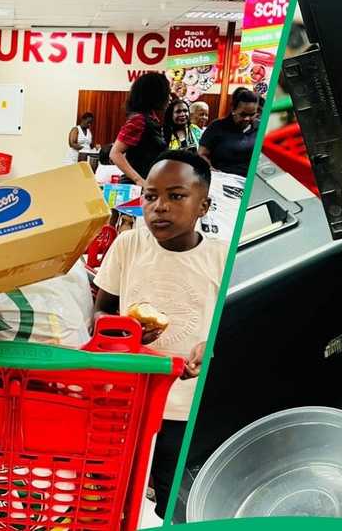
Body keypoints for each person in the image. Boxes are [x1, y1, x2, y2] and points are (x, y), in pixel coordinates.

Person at [91, 150, 228, 519]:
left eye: (176, 196)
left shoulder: (221, 258)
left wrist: (209, 345)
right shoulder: (128, 246)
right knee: (112, 492)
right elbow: (102, 311)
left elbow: (225, 327)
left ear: (203, 205)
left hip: (183, 405)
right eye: (151, 196)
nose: (160, 207)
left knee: (171, 492)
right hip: (127, 398)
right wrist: (126, 333)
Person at [109, 72, 170, 185]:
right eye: (167, 93)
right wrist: (139, 180)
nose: (169, 97)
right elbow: (115, 153)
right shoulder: (139, 120)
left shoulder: (152, 120)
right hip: (137, 188)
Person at [199, 87, 260, 178]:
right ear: (233, 109)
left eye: (252, 115)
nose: (247, 119)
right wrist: (211, 169)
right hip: (222, 177)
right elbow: (201, 154)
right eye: (243, 114)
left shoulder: (260, 128)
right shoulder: (216, 127)